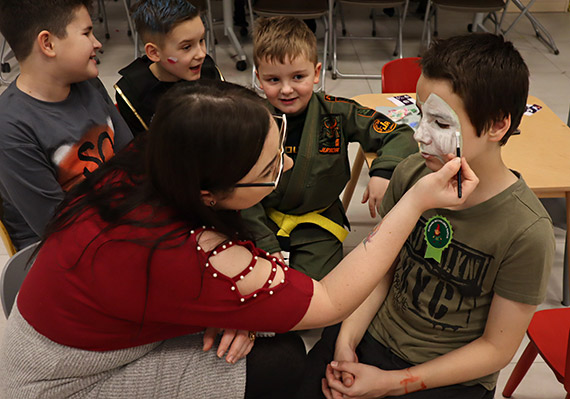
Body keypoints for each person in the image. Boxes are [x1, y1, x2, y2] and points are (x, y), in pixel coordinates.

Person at [0, 80, 477, 398]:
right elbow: (329, 299)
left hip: (48, 335)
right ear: (209, 192)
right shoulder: (185, 253)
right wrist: (414, 202)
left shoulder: (145, 168)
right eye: (268, 170)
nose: (286, 167)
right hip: (59, 384)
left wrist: (235, 308)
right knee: (282, 361)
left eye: (280, 146)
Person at [301, 33, 555, 399]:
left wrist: (391, 383)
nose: (419, 136)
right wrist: (346, 340)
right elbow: (379, 270)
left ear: (498, 125)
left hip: (448, 376)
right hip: (371, 333)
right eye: (421, 116)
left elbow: (496, 349)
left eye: (439, 122)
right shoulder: (412, 173)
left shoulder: (527, 231)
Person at [244, 16, 419, 281]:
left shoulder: (336, 112)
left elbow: (398, 133)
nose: (287, 89)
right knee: (255, 290)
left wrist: (383, 173)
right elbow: (238, 185)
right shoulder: (249, 120)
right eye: (273, 80)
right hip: (260, 221)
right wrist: (265, 243)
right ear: (258, 78)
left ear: (316, 73)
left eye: (298, 76)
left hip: (318, 225)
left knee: (315, 297)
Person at [0, 0, 133, 251]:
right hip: (62, 251)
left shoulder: (88, 85)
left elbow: (133, 159)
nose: (97, 43)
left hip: (118, 220)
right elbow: (59, 228)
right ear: (48, 44)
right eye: (86, 33)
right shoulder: (10, 127)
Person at [114, 0, 223, 136]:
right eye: (187, 47)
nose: (201, 54)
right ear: (154, 53)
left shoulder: (209, 71)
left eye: (201, 40)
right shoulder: (135, 93)